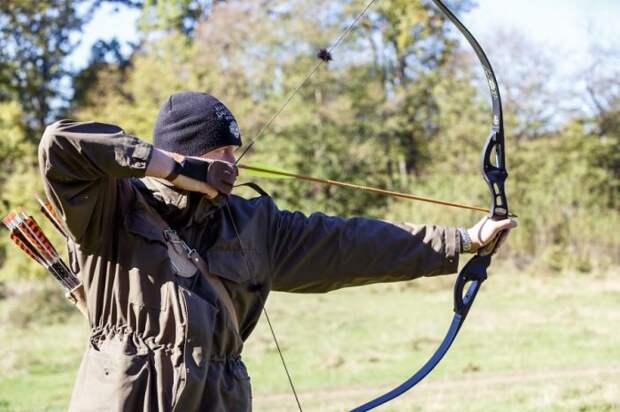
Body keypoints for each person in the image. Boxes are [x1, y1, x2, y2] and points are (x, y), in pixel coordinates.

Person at [38, 91, 516, 411]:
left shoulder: (253, 224)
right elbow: (61, 144)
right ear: (185, 152)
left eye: (234, 154)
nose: (231, 165)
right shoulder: (112, 210)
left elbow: (349, 245)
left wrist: (463, 240)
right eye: (219, 155)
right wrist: (173, 169)